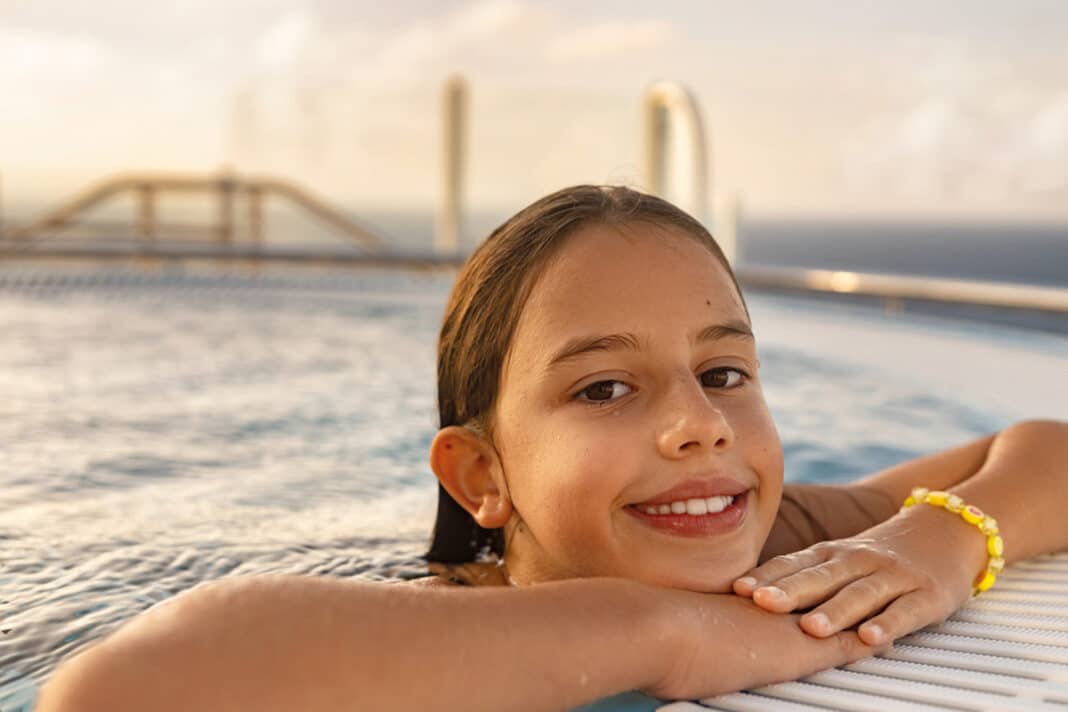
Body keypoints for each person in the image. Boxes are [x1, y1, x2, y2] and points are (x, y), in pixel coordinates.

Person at [37, 186, 1068, 712]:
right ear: (484, 477)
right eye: (604, 387)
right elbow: (113, 691)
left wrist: (940, 544)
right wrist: (657, 631)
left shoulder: (782, 536)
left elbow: (1048, 447)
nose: (698, 422)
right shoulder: (461, 623)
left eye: (724, 373)